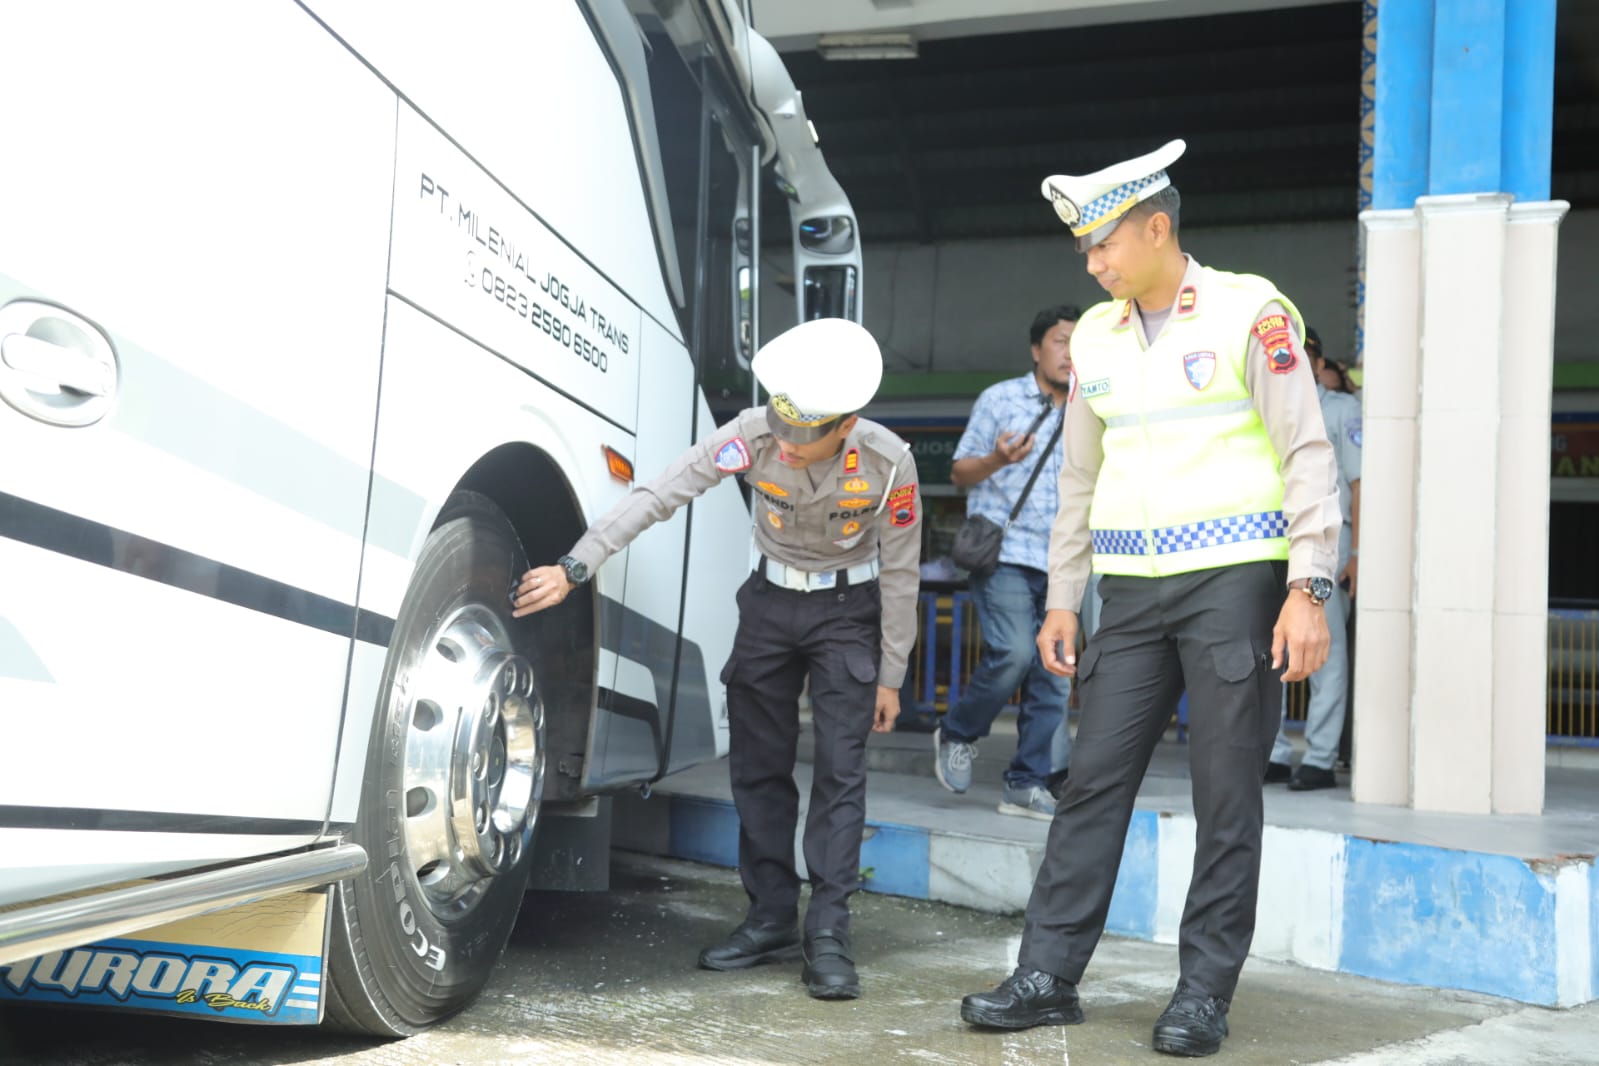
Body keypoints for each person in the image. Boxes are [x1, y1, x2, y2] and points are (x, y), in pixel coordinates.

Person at [959, 139, 1340, 1058]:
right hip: (1125, 596)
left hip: (1235, 585)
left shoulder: (1253, 312)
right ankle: (1048, 974)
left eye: (1103, 246)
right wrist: (1061, 599)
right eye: (1086, 250)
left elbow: (1306, 455)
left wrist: (1308, 588)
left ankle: (1203, 991)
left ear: (1156, 226)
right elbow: (1080, 479)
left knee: (1224, 792)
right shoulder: (1094, 335)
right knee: (1090, 783)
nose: (1091, 265)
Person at [512, 317, 920, 1003]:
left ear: (845, 423)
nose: (785, 447)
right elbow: (658, 494)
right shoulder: (750, 435)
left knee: (840, 778)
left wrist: (891, 672)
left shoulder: (887, 461)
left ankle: (827, 933)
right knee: (758, 770)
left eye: (804, 435)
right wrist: (576, 565)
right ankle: (768, 918)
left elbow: (903, 570)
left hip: (849, 617)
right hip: (767, 607)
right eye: (781, 430)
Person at [935, 305, 1081, 820]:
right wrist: (999, 459)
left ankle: (1026, 782)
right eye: (1061, 341)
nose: (1070, 352)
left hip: (1066, 563)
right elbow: (959, 473)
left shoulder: (1092, 407)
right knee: (1016, 653)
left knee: (1055, 674)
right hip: (1007, 554)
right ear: (1037, 349)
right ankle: (957, 731)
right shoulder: (999, 399)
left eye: (1078, 343)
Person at [1266, 330, 1361, 790]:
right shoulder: (1267, 407)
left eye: (1299, 357)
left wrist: (1358, 554)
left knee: (1328, 657)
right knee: (1274, 653)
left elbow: (1360, 486)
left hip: (1328, 548)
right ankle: (1276, 753)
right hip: (1274, 547)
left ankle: (1320, 758)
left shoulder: (1342, 411)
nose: (1289, 366)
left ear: (1319, 363)